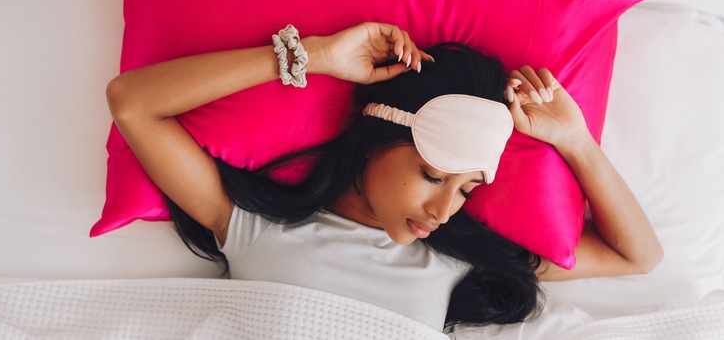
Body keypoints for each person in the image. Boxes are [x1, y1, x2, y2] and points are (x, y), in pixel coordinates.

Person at [106, 22, 663, 331]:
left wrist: (575, 141)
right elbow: (132, 102)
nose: (446, 209)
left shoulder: (454, 257)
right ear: (375, 142)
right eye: (431, 174)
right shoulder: (255, 226)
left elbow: (637, 257)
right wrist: (316, 55)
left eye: (467, 188)